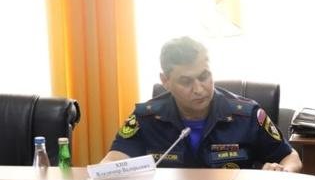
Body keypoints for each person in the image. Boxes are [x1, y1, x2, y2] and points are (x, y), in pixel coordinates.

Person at [101, 36, 302, 171]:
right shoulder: (146, 118)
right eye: (186, 81)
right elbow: (113, 160)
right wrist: (106, 170)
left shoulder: (247, 115)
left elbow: (291, 158)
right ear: (165, 81)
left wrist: (281, 172)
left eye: (204, 76)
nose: (199, 89)